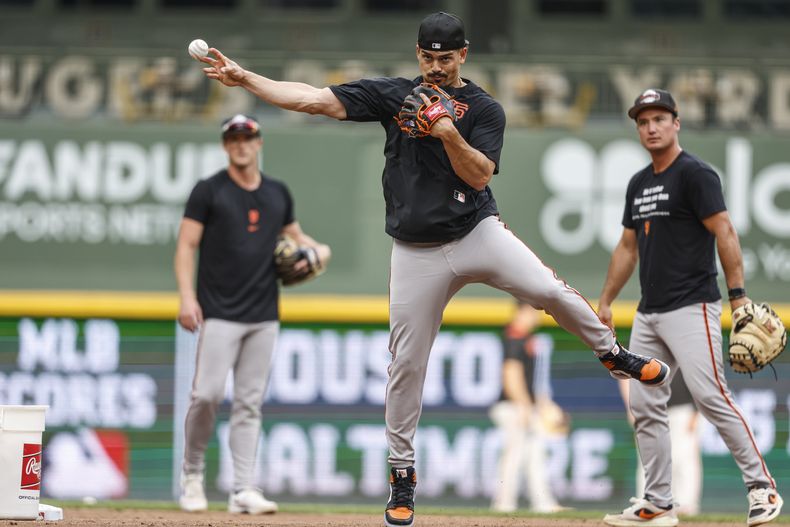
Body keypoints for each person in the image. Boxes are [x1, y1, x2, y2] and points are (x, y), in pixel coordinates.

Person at [195, 13, 669, 527]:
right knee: (405, 365)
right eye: (429, 57)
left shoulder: (484, 109)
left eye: (446, 58)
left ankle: (612, 352)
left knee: (546, 288)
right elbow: (311, 98)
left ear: (464, 54)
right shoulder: (394, 94)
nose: (437, 66)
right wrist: (246, 79)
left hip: (475, 232)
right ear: (418, 54)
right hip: (415, 250)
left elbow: (481, 172)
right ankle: (402, 479)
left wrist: (446, 132)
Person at [598, 89, 782, 527]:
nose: (651, 127)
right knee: (644, 404)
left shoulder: (696, 174)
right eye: (643, 122)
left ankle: (762, 488)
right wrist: (606, 300)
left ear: (676, 123)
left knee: (710, 395)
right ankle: (659, 502)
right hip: (649, 312)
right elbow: (628, 247)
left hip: (692, 304)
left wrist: (737, 298)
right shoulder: (638, 183)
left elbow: (726, 232)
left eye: (660, 118)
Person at [174, 114, 331, 514]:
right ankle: (192, 475)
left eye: (248, 137)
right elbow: (186, 246)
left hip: (263, 313)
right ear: (226, 145)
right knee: (206, 395)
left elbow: (298, 238)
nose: (241, 144)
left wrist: (319, 250)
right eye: (234, 138)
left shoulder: (277, 193)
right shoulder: (209, 191)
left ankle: (243, 488)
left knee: (248, 403)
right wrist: (187, 298)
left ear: (259, 143)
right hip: (219, 311)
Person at [489, 302, 568, 513]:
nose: (537, 317)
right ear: (522, 311)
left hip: (522, 405)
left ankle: (543, 504)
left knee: (534, 454)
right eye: (534, 312)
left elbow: (532, 383)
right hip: (513, 406)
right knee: (515, 455)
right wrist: (524, 406)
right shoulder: (514, 337)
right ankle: (504, 504)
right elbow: (510, 375)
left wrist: (543, 406)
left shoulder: (524, 338)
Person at [622, 373, 703, 516]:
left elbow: (697, 374)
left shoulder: (684, 350)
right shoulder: (644, 350)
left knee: (684, 458)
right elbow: (626, 373)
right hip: (649, 408)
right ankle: (648, 503)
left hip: (682, 409)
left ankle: (685, 506)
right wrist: (631, 408)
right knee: (648, 460)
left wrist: (697, 411)